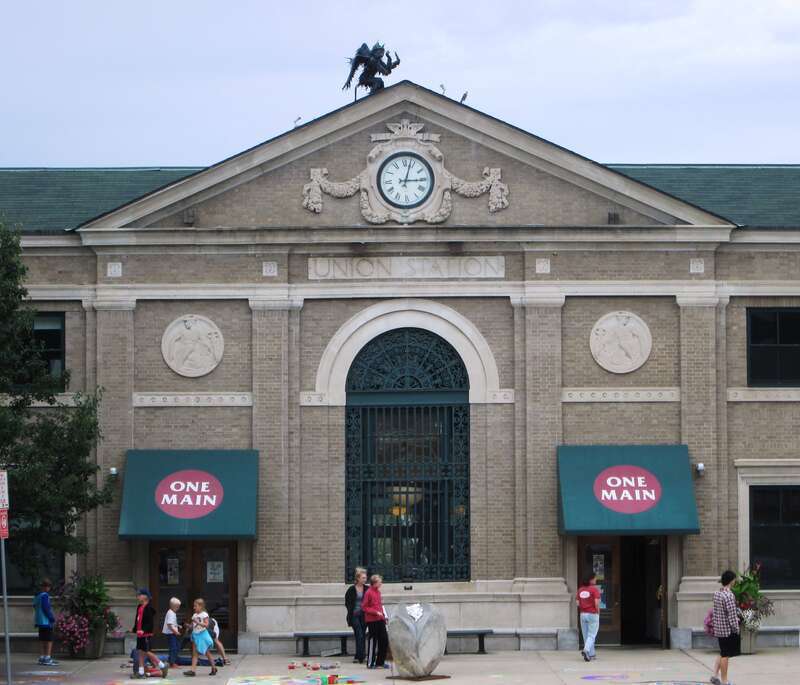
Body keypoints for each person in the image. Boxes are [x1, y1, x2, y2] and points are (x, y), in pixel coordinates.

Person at [710, 570, 740, 685]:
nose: (735, 581)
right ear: (731, 580)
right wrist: (736, 629)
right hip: (727, 630)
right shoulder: (729, 595)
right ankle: (724, 681)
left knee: (722, 652)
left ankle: (714, 676)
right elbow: (732, 615)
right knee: (725, 656)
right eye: (734, 579)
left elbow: (716, 611)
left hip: (719, 628)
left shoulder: (717, 593)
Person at [132, 588, 168, 679]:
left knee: (146, 651)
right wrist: (135, 628)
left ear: (146, 597)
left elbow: (149, 623)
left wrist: (144, 630)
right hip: (140, 634)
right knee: (140, 652)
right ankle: (141, 672)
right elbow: (137, 619)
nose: (138, 597)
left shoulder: (148, 609)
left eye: (140, 595)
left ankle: (162, 665)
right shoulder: (139, 607)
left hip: (146, 634)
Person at [362, 574, 389, 669]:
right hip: (372, 620)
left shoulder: (378, 592)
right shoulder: (368, 592)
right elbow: (364, 607)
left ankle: (380, 662)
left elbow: (380, 605)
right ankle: (370, 663)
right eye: (379, 582)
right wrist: (375, 612)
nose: (381, 583)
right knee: (373, 641)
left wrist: (384, 615)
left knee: (384, 640)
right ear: (375, 583)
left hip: (380, 619)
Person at [184, 598, 217, 677]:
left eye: (195, 606)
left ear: (201, 606)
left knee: (207, 653)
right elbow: (193, 625)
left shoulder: (204, 614)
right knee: (195, 654)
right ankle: (192, 671)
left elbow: (206, 625)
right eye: (194, 606)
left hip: (202, 635)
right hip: (195, 635)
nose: (194, 607)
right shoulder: (194, 615)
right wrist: (188, 626)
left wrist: (198, 622)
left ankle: (214, 667)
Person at [345, 567, 368, 664]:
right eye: (363, 578)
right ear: (358, 578)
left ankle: (361, 655)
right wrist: (352, 610)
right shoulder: (351, 589)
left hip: (364, 615)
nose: (365, 579)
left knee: (362, 634)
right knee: (358, 634)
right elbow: (347, 602)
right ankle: (359, 656)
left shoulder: (367, 589)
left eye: (365, 578)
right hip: (354, 615)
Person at [576, 573, 601, 662]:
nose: (595, 580)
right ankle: (586, 650)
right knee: (592, 635)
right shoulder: (594, 590)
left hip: (583, 614)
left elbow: (578, 603)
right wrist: (597, 612)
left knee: (586, 635)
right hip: (592, 614)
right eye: (594, 578)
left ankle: (592, 654)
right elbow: (597, 603)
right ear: (591, 579)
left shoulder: (580, 590)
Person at [33, 578, 58, 666]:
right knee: (49, 639)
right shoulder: (45, 596)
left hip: (39, 621)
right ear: (45, 587)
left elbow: (35, 606)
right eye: (47, 586)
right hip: (46, 621)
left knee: (42, 639)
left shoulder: (37, 596)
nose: (48, 588)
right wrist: (51, 618)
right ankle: (47, 657)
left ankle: (42, 657)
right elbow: (46, 608)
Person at [162, 597, 182, 670]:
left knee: (176, 647)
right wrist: (175, 631)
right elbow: (169, 625)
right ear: (174, 606)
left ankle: (172, 660)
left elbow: (172, 623)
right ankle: (172, 663)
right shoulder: (171, 613)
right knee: (173, 648)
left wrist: (177, 625)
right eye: (177, 607)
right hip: (171, 634)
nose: (178, 608)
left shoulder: (172, 612)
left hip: (172, 633)